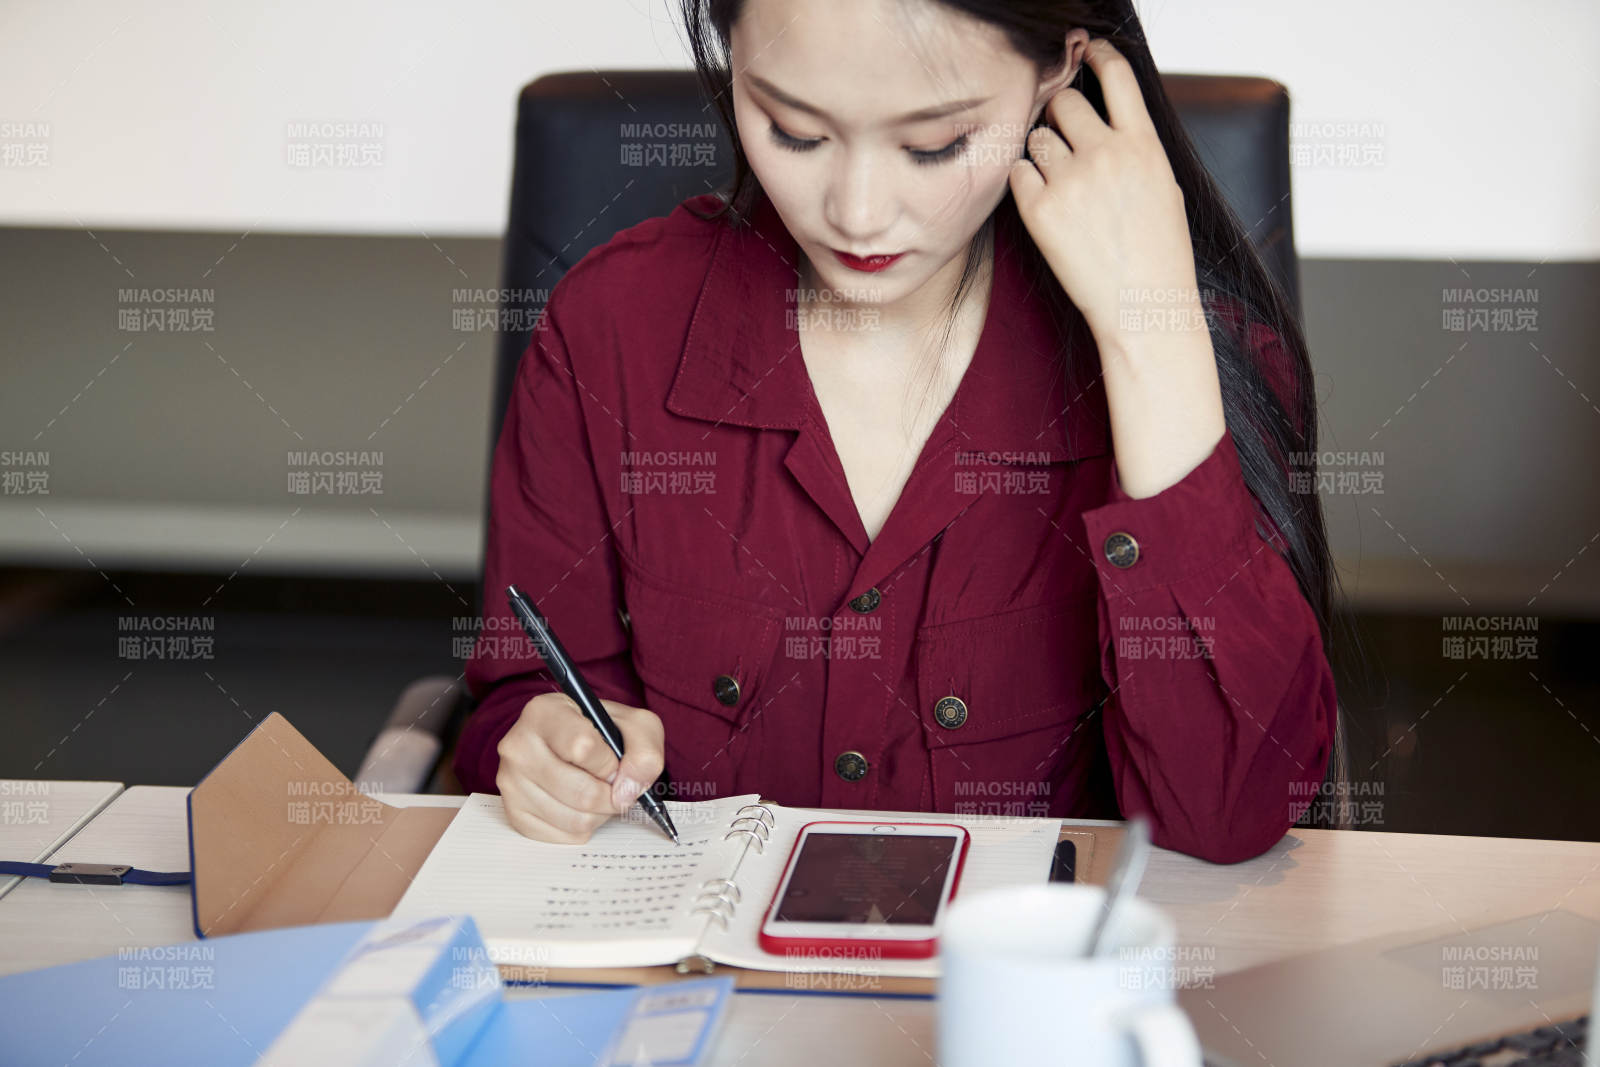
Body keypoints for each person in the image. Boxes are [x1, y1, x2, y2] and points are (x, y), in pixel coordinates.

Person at [455, 0, 1344, 864]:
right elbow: (527, 691)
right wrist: (545, 753)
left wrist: (1147, 331)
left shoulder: (1192, 359)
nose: (858, 211)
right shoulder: (610, 329)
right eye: (794, 130)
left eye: (934, 144)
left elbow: (1229, 812)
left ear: (1058, 71)